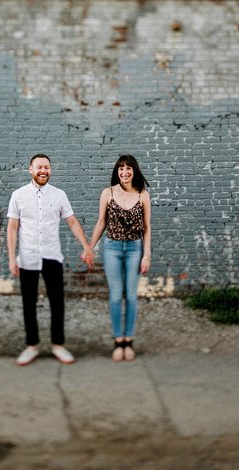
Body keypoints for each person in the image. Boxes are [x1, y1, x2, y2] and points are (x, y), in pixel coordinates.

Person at [7, 154, 94, 366]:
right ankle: (32, 346)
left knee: (57, 302)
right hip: (27, 256)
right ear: (30, 170)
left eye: (46, 167)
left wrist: (86, 246)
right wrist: (12, 257)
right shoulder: (18, 195)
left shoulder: (59, 195)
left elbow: (72, 222)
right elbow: (12, 227)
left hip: (52, 255)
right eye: (39, 167)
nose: (43, 170)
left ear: (50, 170)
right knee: (29, 302)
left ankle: (58, 344)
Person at [88, 155, 151, 362]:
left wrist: (147, 255)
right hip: (112, 248)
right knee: (116, 296)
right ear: (117, 171)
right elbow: (100, 223)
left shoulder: (143, 195)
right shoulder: (108, 193)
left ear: (134, 171)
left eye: (129, 169)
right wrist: (89, 247)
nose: (125, 172)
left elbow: (147, 229)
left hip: (134, 249)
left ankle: (128, 341)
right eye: (121, 169)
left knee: (131, 296)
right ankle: (118, 341)